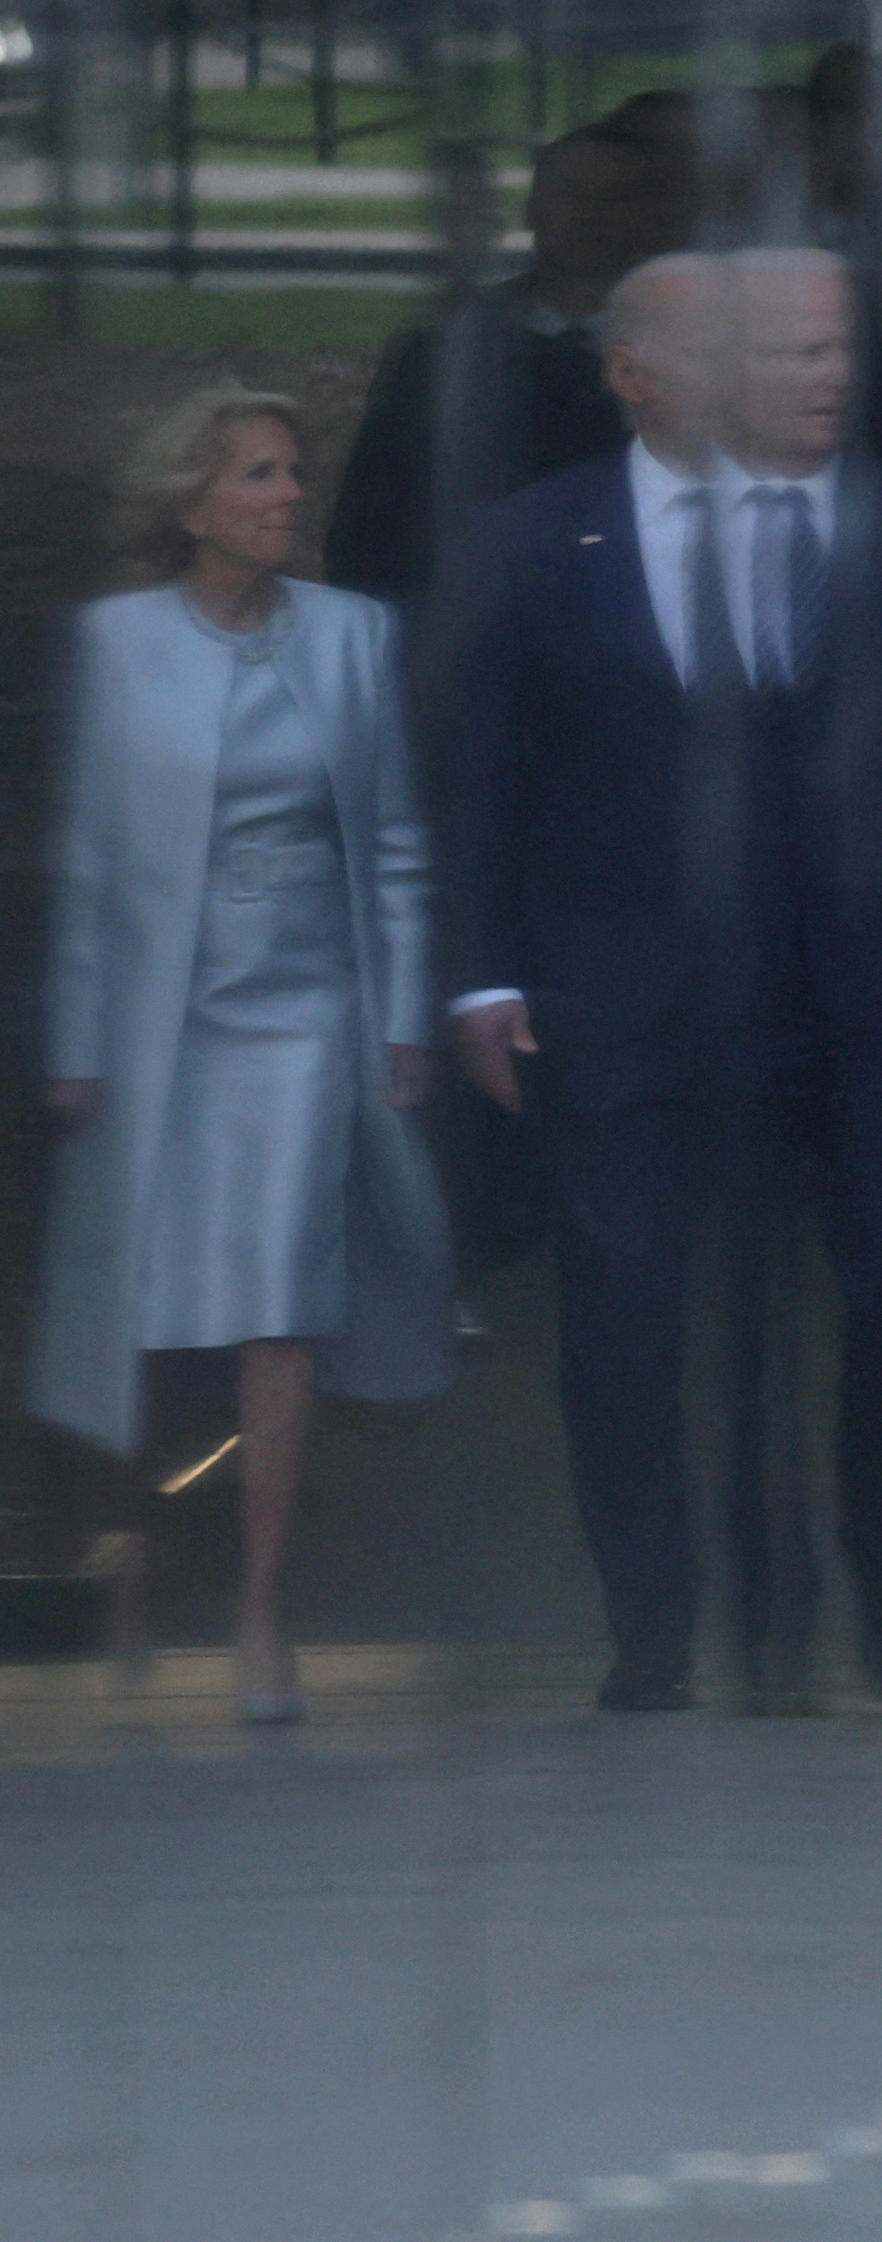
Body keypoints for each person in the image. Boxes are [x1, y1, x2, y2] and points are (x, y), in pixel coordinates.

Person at [433, 251, 882, 1712]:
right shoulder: (533, 541)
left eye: (808, 351)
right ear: (636, 375)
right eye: (751, 351)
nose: (804, 377)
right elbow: (479, 776)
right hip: (619, 992)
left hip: (851, 987)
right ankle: (660, 1619)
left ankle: (866, 1553)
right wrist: (479, 978)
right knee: (626, 1311)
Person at [32, 388, 453, 1717]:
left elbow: (391, 842)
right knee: (147, 1321)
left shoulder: (351, 637)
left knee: (282, 1314)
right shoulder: (117, 644)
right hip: (164, 1019)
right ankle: (138, 1557)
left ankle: (267, 1604)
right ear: (190, 502)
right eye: (262, 475)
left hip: (305, 1018)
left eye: (293, 474)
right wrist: (79, 1041)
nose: (288, 496)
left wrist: (397, 1020)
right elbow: (94, 863)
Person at [321, 122, 678, 612]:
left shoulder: (690, 348)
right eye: (570, 193)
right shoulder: (443, 348)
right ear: (532, 210)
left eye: (615, 198)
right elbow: (371, 522)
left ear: (651, 219)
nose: (590, 215)